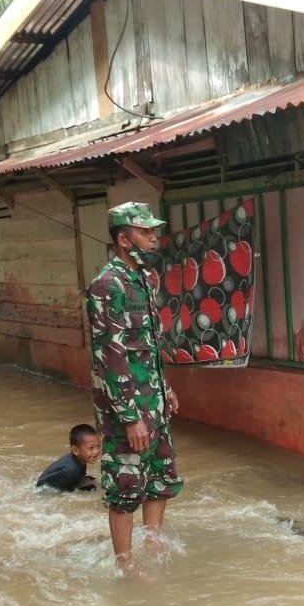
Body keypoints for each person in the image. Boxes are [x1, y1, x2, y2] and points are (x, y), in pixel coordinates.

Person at [86, 202, 183, 577]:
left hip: (153, 399)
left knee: (161, 476)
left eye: (153, 231)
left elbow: (148, 345)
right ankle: (125, 566)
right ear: (124, 239)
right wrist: (129, 417)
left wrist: (166, 388)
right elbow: (109, 356)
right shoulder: (106, 285)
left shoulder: (142, 277)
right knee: (126, 484)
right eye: (145, 232)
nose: (154, 237)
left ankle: (153, 543)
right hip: (126, 408)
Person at [36, 424, 101, 492]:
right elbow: (67, 494)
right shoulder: (71, 470)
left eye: (98, 446)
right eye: (91, 448)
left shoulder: (80, 459)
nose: (96, 451)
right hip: (44, 491)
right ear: (75, 450)